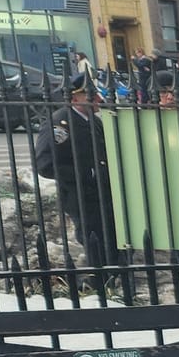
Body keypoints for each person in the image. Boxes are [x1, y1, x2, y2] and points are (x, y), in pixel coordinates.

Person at [32, 71, 117, 269]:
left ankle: (115, 279)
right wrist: (85, 175)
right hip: (80, 195)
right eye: (90, 94)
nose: (97, 98)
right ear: (75, 97)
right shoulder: (60, 122)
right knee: (94, 241)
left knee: (111, 241)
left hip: (104, 193)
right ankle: (102, 282)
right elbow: (45, 164)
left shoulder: (94, 122)